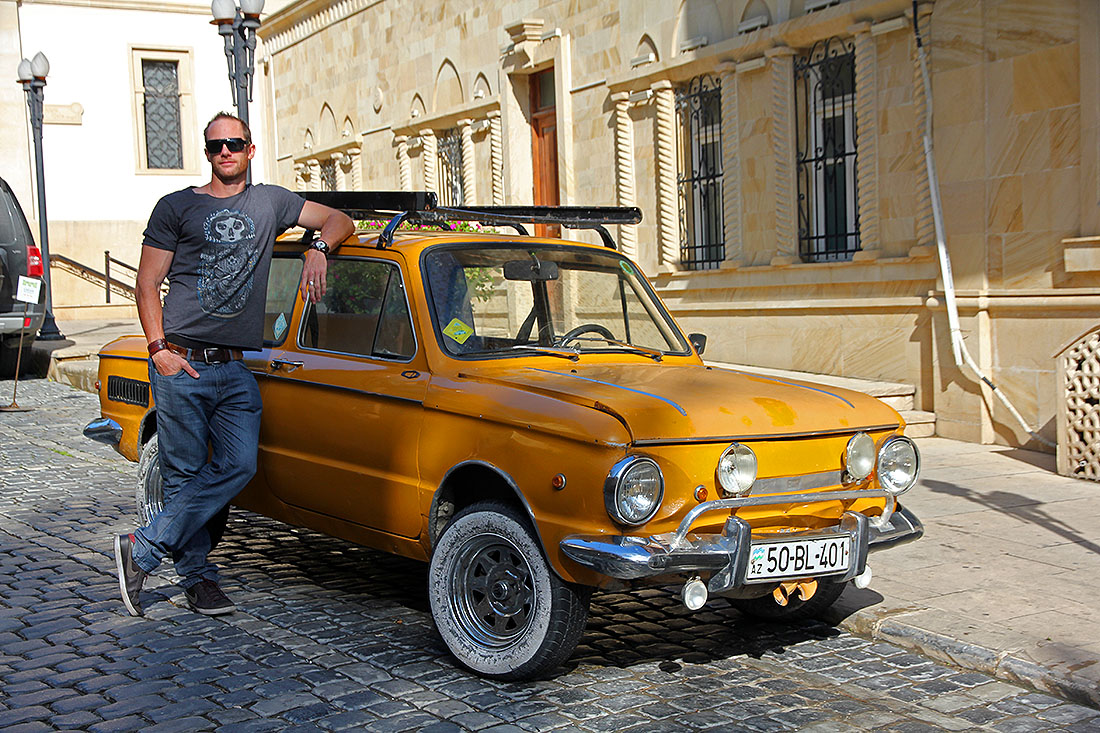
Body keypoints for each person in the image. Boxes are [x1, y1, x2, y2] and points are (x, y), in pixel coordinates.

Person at [113, 112, 354, 617]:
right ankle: (199, 580)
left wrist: (318, 249)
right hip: (181, 361)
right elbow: (146, 282)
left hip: (234, 367)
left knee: (240, 464)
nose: (225, 151)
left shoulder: (271, 201)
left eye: (234, 143)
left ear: (250, 149)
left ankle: (143, 548)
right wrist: (158, 350)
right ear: (208, 153)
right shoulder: (177, 206)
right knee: (182, 475)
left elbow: (339, 220)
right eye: (215, 145)